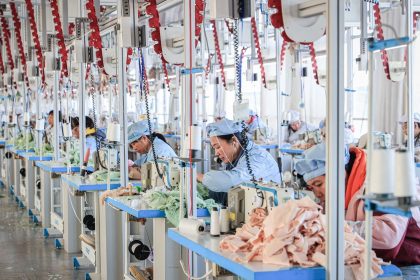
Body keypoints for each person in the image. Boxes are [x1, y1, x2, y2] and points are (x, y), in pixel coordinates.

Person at [295, 143, 420, 266]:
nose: (317, 195)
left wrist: (327, 227)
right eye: (312, 188)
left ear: (338, 172)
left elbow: (388, 240)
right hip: (372, 261)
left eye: (318, 184)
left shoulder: (386, 181)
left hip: (407, 266)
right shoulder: (341, 189)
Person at [197, 119, 281, 205]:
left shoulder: (257, 158)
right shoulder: (236, 156)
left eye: (218, 147)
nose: (216, 153)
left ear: (234, 141)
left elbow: (232, 181)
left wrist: (198, 176)